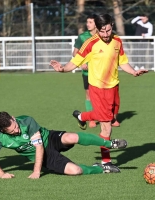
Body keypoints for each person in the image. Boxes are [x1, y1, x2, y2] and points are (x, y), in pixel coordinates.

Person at [50, 14, 147, 169]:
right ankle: (106, 162)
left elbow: (123, 62)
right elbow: (75, 61)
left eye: (108, 30)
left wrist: (134, 72)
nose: (105, 35)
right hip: (97, 88)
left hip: (113, 87)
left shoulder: (117, 41)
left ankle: (81, 116)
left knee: (110, 117)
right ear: (97, 29)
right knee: (107, 126)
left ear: (112, 25)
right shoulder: (90, 43)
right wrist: (62, 69)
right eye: (102, 31)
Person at [0, 111, 128, 179]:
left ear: (13, 118)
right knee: (75, 171)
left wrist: (36, 172)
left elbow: (39, 146)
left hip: (49, 138)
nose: (17, 130)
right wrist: (1, 174)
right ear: (3, 131)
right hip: (45, 156)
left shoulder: (26, 121)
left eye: (15, 126)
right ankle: (102, 168)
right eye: (12, 131)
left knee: (72, 137)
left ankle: (109, 143)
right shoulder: (0, 138)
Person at [72, 14, 98, 128]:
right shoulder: (83, 37)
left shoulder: (102, 36)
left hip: (100, 71)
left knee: (100, 95)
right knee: (88, 94)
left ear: (96, 24)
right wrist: (82, 63)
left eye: (90, 22)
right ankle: (91, 119)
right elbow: (75, 52)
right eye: (87, 22)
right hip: (87, 72)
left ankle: (105, 116)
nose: (88, 24)